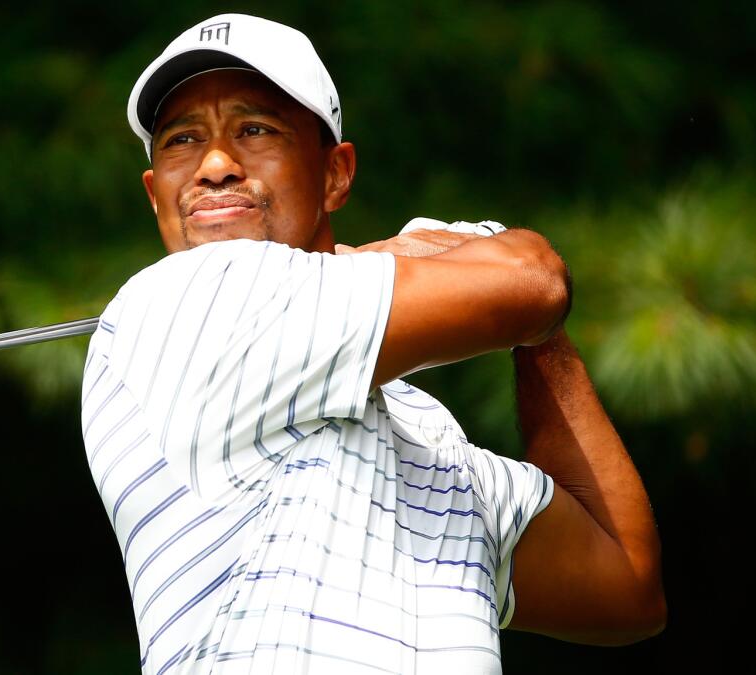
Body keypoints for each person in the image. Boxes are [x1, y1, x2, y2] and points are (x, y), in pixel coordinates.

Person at [80, 13, 665, 674]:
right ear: (156, 195)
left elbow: (624, 579)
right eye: (182, 139)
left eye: (255, 129)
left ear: (335, 173)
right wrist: (493, 255)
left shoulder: (421, 429)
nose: (214, 166)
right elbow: (532, 279)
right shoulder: (185, 300)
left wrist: (543, 342)